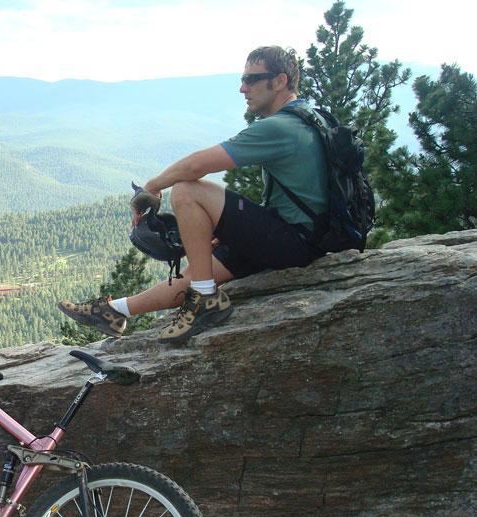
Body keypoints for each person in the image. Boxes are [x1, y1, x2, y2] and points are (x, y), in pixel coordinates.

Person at [58, 45, 328, 345]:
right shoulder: (306, 117)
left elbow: (195, 166)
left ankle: (205, 301)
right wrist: (234, 231)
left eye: (251, 79)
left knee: (186, 189)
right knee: (198, 271)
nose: (242, 88)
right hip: (300, 237)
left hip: (296, 241)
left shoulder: (281, 126)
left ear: (279, 81)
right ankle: (113, 312)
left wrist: (152, 187)